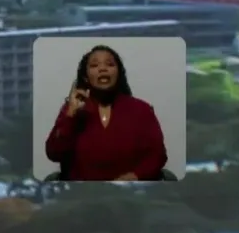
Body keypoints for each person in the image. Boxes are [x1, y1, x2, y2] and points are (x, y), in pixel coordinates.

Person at [43, 44, 168, 182]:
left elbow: (158, 155)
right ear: (85, 77)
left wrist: (136, 176)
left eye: (110, 64)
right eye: (94, 65)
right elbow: (53, 153)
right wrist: (70, 115)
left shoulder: (141, 109)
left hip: (129, 190)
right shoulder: (73, 109)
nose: (103, 69)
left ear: (118, 73)